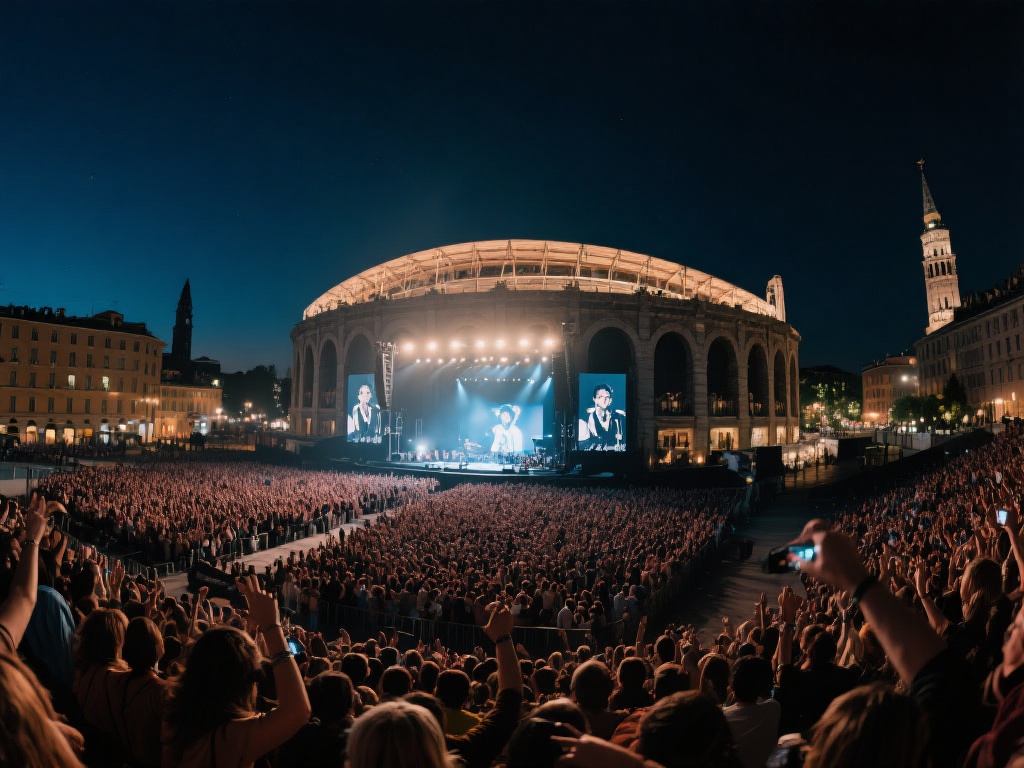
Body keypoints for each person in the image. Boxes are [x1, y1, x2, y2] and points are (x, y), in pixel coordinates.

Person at [161, 575, 311, 767]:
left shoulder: (174, 722)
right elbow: (298, 710)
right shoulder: (230, 737)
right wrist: (272, 627)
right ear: (241, 682)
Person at [578, 384, 626, 451]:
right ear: (594, 399)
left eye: (607, 397)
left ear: (610, 400)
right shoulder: (584, 422)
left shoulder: (619, 418)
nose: (604, 400)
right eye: (600, 397)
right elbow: (583, 448)